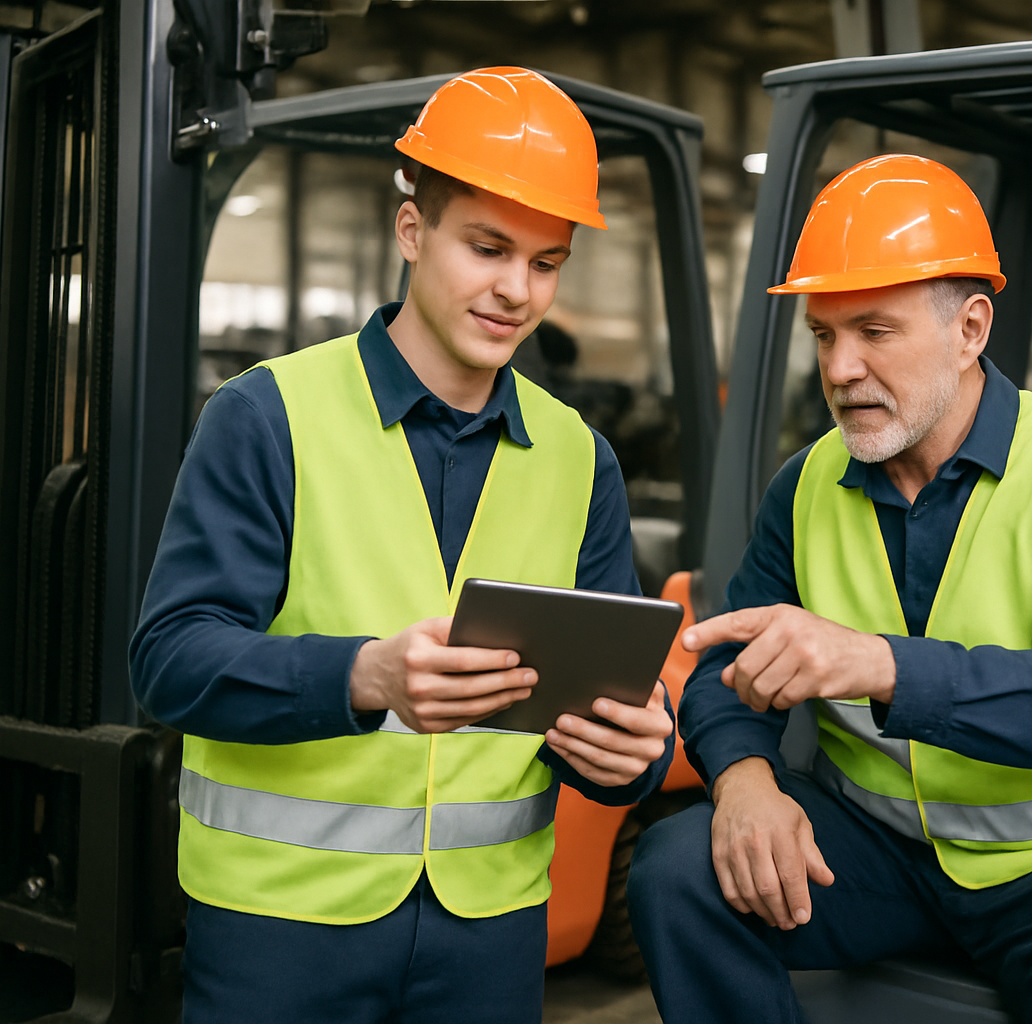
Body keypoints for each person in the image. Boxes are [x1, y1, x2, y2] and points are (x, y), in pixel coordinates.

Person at [130, 67, 675, 1024]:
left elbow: (597, 718)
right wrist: (366, 677)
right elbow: (169, 661)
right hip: (281, 930)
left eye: (546, 263)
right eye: (488, 247)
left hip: (490, 935)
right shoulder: (268, 417)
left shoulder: (580, 461)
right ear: (413, 232)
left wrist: (632, 751)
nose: (516, 290)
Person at [628, 154, 1032, 1023]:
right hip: (880, 853)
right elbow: (720, 665)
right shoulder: (808, 482)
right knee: (678, 870)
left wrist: (878, 665)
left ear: (971, 330)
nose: (841, 369)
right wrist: (744, 781)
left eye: (874, 332)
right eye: (824, 336)